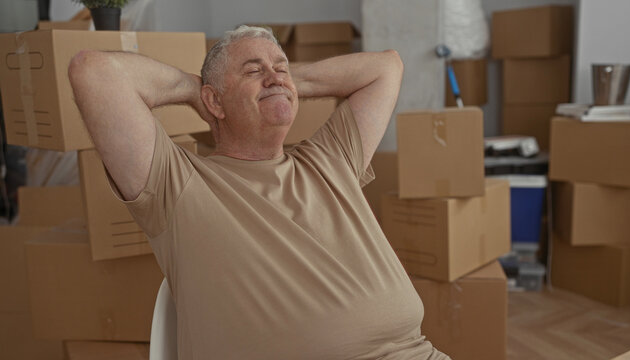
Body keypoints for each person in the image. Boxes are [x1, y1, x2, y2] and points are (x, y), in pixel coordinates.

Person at [68, 25, 450, 360]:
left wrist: (279, 82)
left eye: (281, 67)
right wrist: (196, 89)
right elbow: (94, 72)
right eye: (253, 70)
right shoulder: (179, 183)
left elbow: (387, 67)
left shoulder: (331, 157)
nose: (275, 76)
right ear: (214, 101)